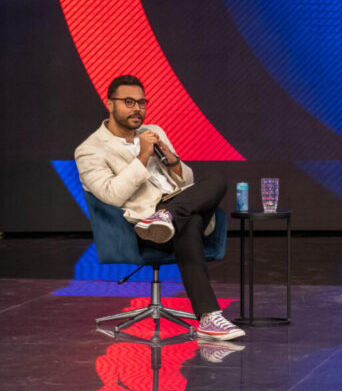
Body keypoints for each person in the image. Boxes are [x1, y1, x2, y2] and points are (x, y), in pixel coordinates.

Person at [75, 74, 244, 341]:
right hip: (146, 229)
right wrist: (143, 156)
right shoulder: (90, 150)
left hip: (172, 211)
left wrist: (172, 159)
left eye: (142, 102)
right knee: (189, 223)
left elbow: (185, 182)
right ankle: (209, 317)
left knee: (216, 180)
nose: (137, 109)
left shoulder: (154, 131)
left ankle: (168, 215)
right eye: (129, 102)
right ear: (110, 104)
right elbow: (112, 196)